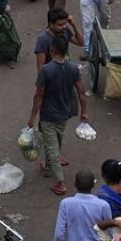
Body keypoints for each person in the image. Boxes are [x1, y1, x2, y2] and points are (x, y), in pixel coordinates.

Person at [30, 33, 91, 195]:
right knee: (56, 140)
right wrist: (84, 112)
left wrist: (32, 116)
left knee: (51, 148)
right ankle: (49, 165)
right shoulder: (73, 68)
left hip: (48, 115)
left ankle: (60, 183)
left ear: (51, 49)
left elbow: (39, 94)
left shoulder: (46, 70)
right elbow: (81, 91)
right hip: (64, 113)